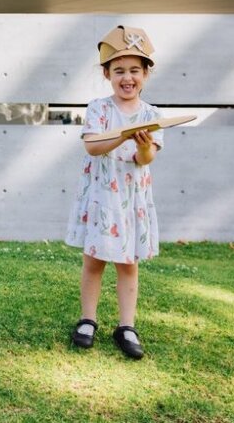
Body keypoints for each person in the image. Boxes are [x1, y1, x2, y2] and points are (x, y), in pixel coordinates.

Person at [66, 25, 162, 359]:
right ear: (107, 74)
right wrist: (124, 134)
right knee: (93, 261)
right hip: (102, 197)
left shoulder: (150, 115)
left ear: (146, 74)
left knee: (128, 264)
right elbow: (93, 148)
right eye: (119, 70)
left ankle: (126, 326)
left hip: (130, 199)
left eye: (135, 70)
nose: (127, 78)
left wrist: (144, 145)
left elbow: (144, 158)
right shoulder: (98, 109)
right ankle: (87, 319)